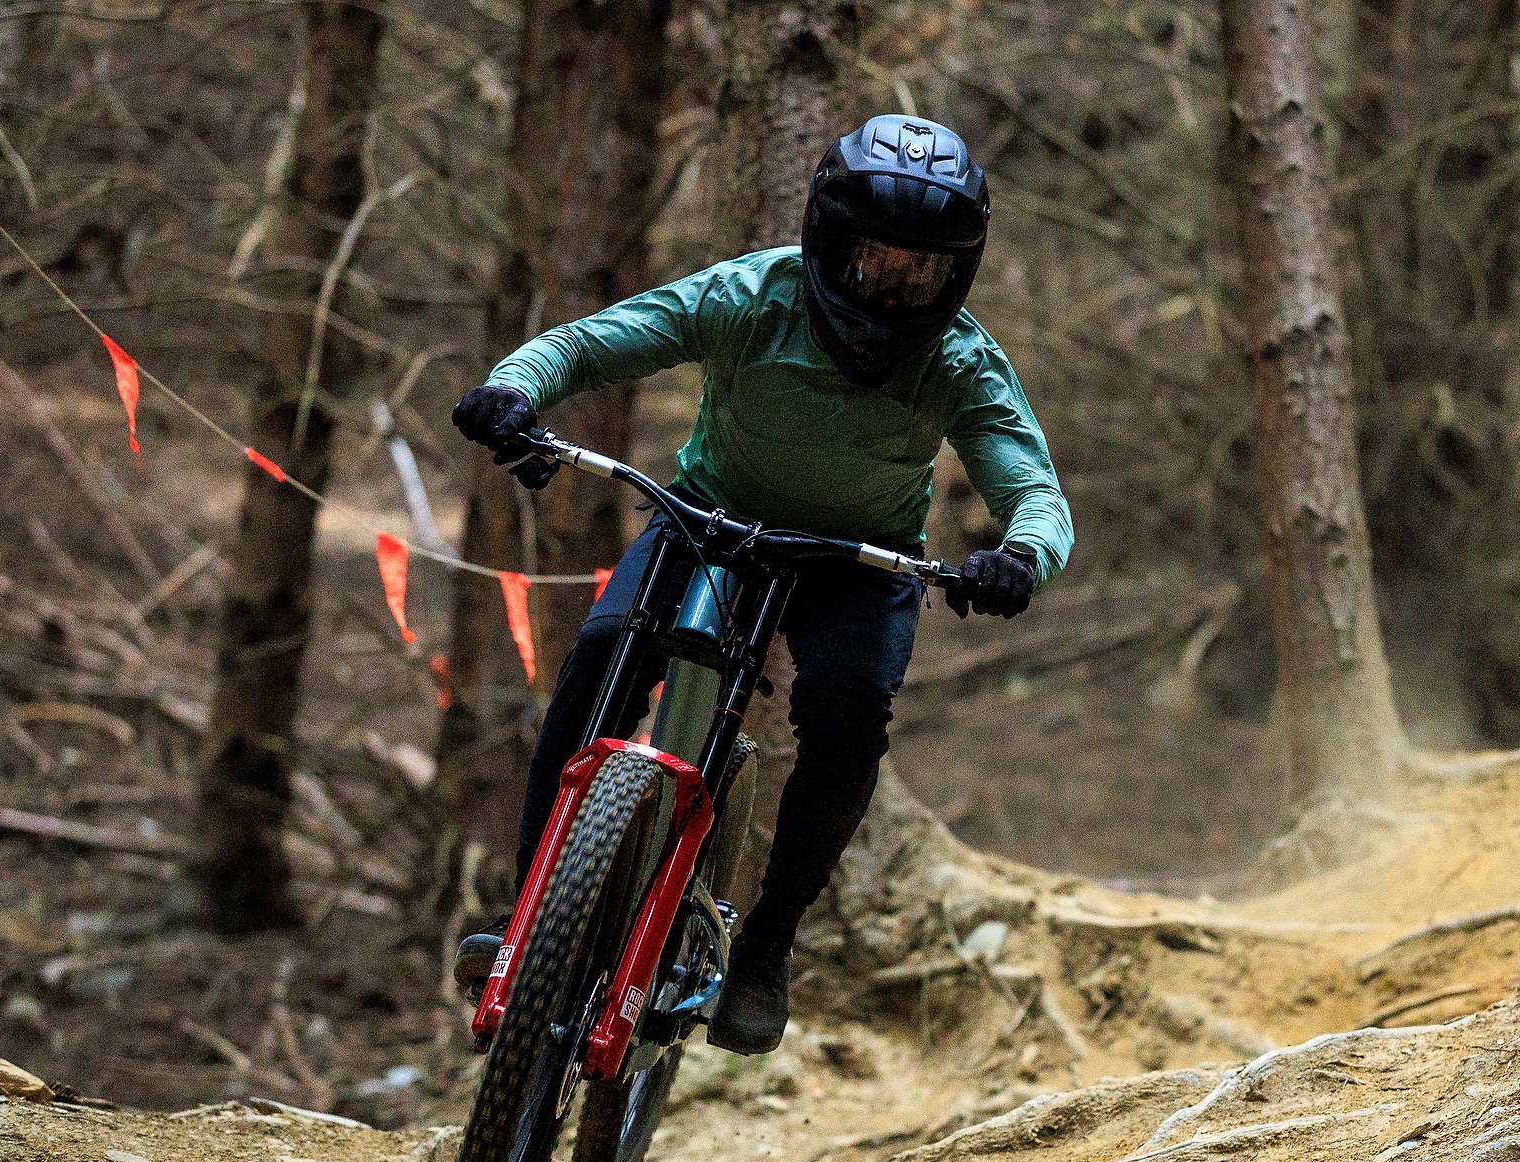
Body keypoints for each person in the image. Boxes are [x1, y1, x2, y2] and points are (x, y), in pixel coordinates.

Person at [447, 115, 1070, 1054]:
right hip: (705, 519)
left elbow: (1033, 489)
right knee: (599, 659)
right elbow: (597, 342)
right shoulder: (749, 295)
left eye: (923, 272)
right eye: (875, 261)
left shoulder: (958, 362)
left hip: (857, 563)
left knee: (850, 711)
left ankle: (768, 942)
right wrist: (515, 389)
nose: (896, 288)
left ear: (958, 274)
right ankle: (532, 914)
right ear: (827, 241)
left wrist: (1021, 555)